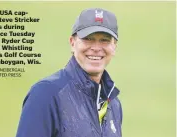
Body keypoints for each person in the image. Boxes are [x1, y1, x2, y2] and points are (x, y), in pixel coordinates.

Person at [16, 8, 122, 137]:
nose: (96, 48)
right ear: (72, 43)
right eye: (88, 38)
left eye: (104, 40)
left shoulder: (113, 103)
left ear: (114, 46)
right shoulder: (46, 94)